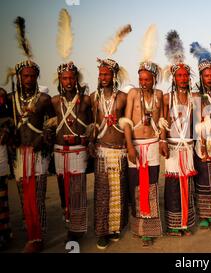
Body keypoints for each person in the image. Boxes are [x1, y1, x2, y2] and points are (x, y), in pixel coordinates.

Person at [6, 17, 55, 253]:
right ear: (18, 77)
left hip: (38, 155)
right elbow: (6, 121)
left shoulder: (44, 99)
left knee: (38, 196)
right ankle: (30, 235)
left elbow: (53, 121)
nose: (29, 79)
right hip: (19, 154)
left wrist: (43, 137)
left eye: (32, 76)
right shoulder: (10, 99)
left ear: (36, 77)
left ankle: (38, 238)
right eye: (25, 76)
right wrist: (9, 133)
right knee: (23, 196)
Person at [122, 61, 164, 247]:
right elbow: (126, 123)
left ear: (154, 79)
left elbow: (162, 120)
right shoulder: (133, 94)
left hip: (153, 146)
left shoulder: (159, 94)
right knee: (136, 186)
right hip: (136, 146)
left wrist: (162, 141)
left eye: (147, 79)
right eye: (140, 79)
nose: (143, 82)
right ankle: (138, 227)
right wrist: (129, 146)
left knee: (152, 186)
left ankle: (150, 229)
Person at [160, 30, 197, 236]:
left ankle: (185, 223)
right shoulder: (167, 98)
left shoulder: (195, 98)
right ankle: (174, 226)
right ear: (174, 78)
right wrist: (162, 141)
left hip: (188, 148)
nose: (183, 78)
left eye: (185, 75)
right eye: (179, 75)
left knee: (187, 184)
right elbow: (162, 123)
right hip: (173, 148)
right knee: (173, 185)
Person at [90, 58, 129, 249]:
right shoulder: (93, 97)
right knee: (102, 193)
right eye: (101, 74)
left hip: (119, 151)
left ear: (113, 76)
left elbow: (127, 124)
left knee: (118, 193)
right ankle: (102, 232)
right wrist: (91, 140)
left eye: (106, 74)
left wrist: (129, 146)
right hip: (102, 150)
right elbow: (94, 123)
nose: (103, 77)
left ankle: (115, 229)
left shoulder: (122, 97)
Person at [51, 61, 91, 242]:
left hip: (78, 151)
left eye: (71, 78)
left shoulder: (87, 100)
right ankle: (69, 225)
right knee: (63, 191)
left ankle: (77, 230)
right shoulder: (53, 101)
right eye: (64, 78)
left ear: (76, 79)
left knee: (77, 190)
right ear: (60, 79)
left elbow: (93, 123)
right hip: (59, 152)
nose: (68, 81)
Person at [190, 42, 211, 229]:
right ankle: (204, 215)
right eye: (206, 75)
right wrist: (202, 143)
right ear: (201, 77)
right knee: (203, 178)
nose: (209, 78)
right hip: (202, 143)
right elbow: (196, 122)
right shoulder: (196, 95)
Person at [0, 87, 14, 250]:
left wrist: (6, 130)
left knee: (1, 198)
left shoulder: (3, 96)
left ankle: (4, 233)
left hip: (1, 152)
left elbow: (10, 121)